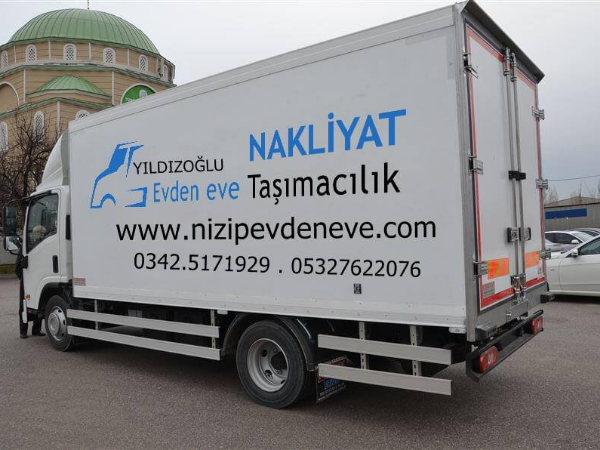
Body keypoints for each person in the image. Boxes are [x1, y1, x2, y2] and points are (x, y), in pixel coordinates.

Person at [16, 248, 44, 339]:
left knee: (38, 302)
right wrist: (23, 278)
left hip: (38, 277)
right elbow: (18, 267)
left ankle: (36, 329)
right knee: (24, 304)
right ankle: (23, 331)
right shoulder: (24, 247)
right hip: (27, 279)